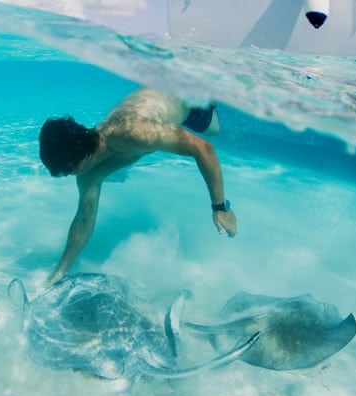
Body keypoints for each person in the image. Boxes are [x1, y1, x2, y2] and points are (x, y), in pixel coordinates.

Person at [38, 87, 236, 286]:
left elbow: (203, 148)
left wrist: (220, 207)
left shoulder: (135, 132)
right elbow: (83, 219)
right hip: (166, 106)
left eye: (69, 170)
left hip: (188, 95)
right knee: (214, 129)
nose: (70, 175)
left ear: (80, 158)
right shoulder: (88, 172)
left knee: (214, 130)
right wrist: (61, 270)